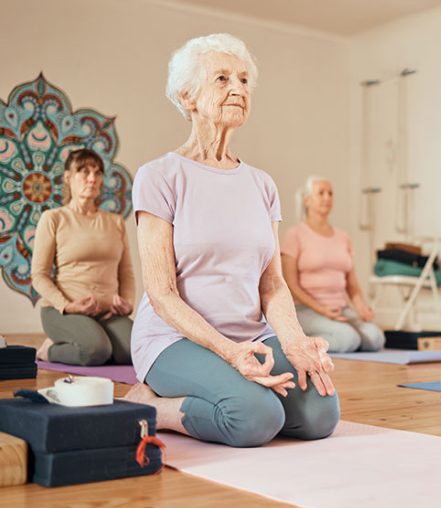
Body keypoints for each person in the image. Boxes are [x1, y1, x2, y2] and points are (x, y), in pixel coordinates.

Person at [124, 33, 339, 447]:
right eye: (222, 79)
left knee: (319, 414)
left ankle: (235, 388)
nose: (238, 89)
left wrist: (295, 342)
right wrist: (229, 353)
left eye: (243, 80)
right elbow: (162, 293)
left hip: (251, 336)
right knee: (255, 417)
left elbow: (272, 284)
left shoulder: (262, 184)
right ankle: (151, 406)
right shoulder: (159, 176)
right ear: (187, 96)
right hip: (174, 340)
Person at [31, 148, 135, 365]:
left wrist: (128, 304)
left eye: (98, 172)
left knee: (134, 351)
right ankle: (49, 350)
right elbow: (39, 275)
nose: (92, 178)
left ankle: (99, 341)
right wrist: (67, 305)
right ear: (68, 177)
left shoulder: (115, 222)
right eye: (84, 171)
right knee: (96, 350)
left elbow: (126, 273)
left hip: (107, 313)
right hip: (63, 311)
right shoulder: (53, 218)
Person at [281, 177, 385, 353]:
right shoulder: (295, 234)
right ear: (307, 200)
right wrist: (322, 309)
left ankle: (339, 336)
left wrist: (361, 307)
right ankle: (300, 343)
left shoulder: (343, 237)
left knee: (375, 338)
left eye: (330, 193)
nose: (327, 197)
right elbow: (291, 284)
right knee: (348, 339)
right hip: (306, 310)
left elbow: (352, 285)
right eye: (321, 193)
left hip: (340, 309)